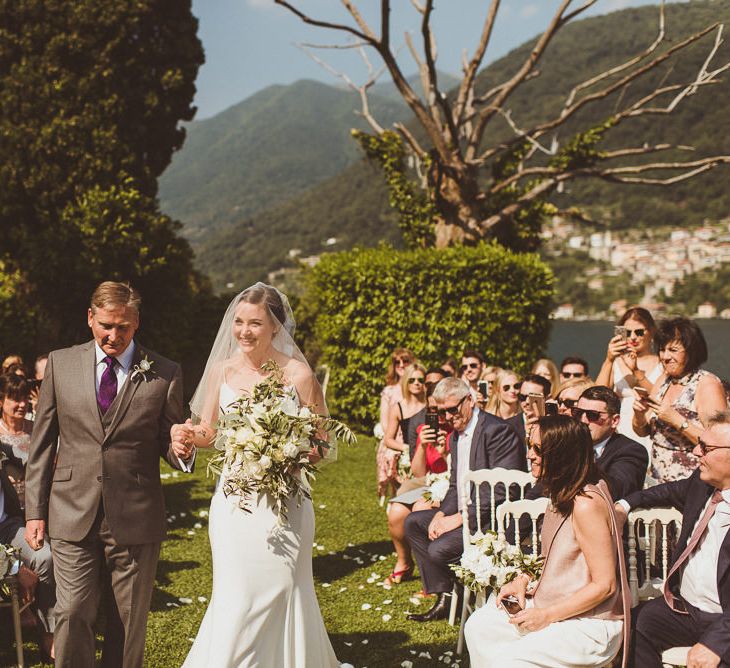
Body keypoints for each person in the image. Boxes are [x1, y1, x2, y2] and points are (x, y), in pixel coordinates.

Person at [24, 281, 192, 668]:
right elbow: (42, 443)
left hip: (135, 514)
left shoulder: (164, 373)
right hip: (69, 509)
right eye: (106, 325)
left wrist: (180, 449)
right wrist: (35, 511)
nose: (113, 335)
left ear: (137, 324)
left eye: (123, 327)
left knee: (127, 620)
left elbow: (168, 440)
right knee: (71, 611)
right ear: (89, 318)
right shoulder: (60, 364)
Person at [179, 282, 340, 667]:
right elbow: (210, 431)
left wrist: (283, 453)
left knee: (284, 587)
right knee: (237, 593)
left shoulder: (299, 375)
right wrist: (187, 434)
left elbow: (321, 444)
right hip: (234, 504)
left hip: (285, 504)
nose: (244, 331)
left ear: (275, 328)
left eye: (254, 323)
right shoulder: (221, 371)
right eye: (238, 322)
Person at [465, 415, 630, 668]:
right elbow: (553, 557)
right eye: (529, 446)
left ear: (562, 455)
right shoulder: (561, 492)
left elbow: (605, 586)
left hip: (590, 623)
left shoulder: (586, 504)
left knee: (510, 661)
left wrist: (546, 616)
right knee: (479, 627)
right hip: (552, 601)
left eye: (538, 449)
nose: (529, 455)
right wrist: (522, 580)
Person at [615, 411, 730, 668]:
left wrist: (718, 642)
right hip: (684, 610)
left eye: (706, 447)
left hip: (725, 621)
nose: (696, 452)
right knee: (634, 624)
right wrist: (623, 505)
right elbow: (665, 492)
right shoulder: (702, 485)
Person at [404, 377, 524, 622]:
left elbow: (502, 491)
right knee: (414, 522)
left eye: (452, 409)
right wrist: (440, 515)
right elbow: (455, 486)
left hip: (492, 520)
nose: (447, 417)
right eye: (441, 412)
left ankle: (459, 594)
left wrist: (457, 519)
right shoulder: (456, 436)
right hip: (465, 513)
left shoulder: (496, 431)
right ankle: (445, 595)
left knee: (439, 549)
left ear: (469, 400)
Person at [633, 317, 727, 483]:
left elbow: (719, 443)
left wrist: (677, 420)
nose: (665, 357)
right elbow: (644, 432)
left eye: (673, 350)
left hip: (690, 484)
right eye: (662, 350)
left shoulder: (707, 384)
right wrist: (639, 415)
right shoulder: (664, 380)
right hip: (657, 479)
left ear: (691, 351)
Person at [384, 388, 452, 587]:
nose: (438, 416)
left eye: (442, 411)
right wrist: (423, 446)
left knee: (420, 509)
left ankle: (432, 578)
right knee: (396, 512)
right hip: (429, 481)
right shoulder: (422, 429)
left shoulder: (455, 429)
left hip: (449, 484)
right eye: (432, 410)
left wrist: (446, 452)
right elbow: (419, 472)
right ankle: (404, 562)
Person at [0, 446, 55, 660]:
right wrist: (15, 567)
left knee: (45, 556)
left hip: (7, 526)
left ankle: (48, 634)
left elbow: (30, 457)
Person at [596, 307, 662, 448]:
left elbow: (660, 396)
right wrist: (609, 360)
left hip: (651, 429)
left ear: (651, 332)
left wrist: (635, 370)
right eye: (627, 332)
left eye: (639, 332)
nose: (633, 337)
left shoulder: (662, 362)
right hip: (621, 431)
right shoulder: (616, 362)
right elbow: (598, 395)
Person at [571, 386, 649, 501]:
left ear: (614, 421)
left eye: (593, 415)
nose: (583, 420)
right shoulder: (568, 444)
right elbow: (541, 490)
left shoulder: (631, 451)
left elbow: (617, 490)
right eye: (578, 413)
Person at [376, 347, 414, 499]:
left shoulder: (417, 386)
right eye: (397, 362)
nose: (401, 365)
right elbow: (385, 423)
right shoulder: (389, 391)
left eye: (405, 361)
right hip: (394, 439)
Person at [383, 361, 427, 468]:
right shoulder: (398, 408)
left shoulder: (431, 405)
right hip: (409, 458)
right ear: (406, 382)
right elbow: (388, 439)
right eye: (412, 380)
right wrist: (406, 448)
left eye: (420, 380)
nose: (416, 383)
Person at [506, 373, 551, 449]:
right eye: (523, 397)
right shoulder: (507, 427)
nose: (527, 401)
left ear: (547, 398)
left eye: (532, 397)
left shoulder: (555, 427)